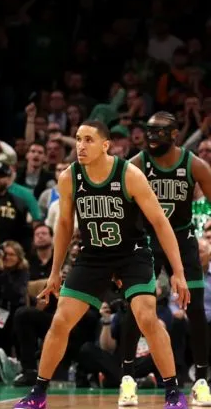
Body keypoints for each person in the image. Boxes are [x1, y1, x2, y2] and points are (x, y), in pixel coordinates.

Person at [14, 120, 191, 409]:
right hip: (92, 256)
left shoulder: (129, 174)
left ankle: (172, 391)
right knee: (60, 321)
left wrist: (179, 273)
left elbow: (160, 222)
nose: (81, 146)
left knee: (146, 316)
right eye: (78, 139)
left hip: (131, 254)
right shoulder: (70, 176)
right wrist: (55, 272)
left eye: (88, 140)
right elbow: (62, 224)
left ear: (105, 145)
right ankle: (39, 392)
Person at [118, 112, 211, 406]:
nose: (152, 138)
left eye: (159, 133)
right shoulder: (137, 164)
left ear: (174, 135)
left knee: (195, 306)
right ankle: (128, 378)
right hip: (145, 240)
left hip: (182, 238)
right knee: (137, 307)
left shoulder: (195, 165)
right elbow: (121, 209)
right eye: (149, 132)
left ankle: (201, 380)